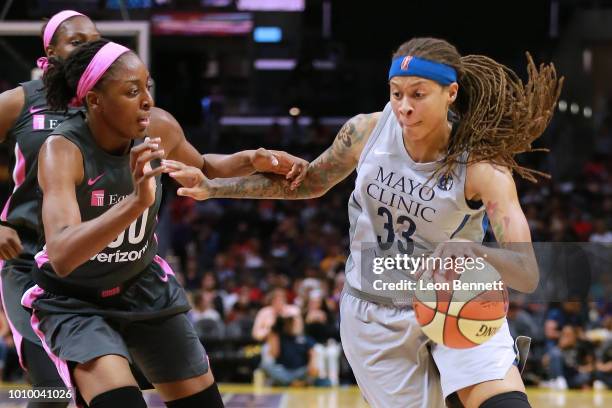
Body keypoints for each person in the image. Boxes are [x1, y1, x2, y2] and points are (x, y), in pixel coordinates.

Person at [163, 37, 563, 408]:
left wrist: (473, 251)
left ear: (451, 93)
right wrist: (214, 187)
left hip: (457, 298)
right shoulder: (366, 131)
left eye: (418, 95)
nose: (404, 106)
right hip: (375, 312)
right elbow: (308, 184)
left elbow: (527, 273)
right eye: (396, 93)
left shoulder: (482, 167)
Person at [0, 10, 307, 407]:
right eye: (132, 91)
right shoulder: (51, 134)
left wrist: (253, 157)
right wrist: (136, 202)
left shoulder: (150, 122)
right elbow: (60, 254)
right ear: (51, 53)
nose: (145, 99)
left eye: (147, 87)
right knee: (53, 391)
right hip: (46, 271)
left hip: (136, 283)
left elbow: (204, 166)